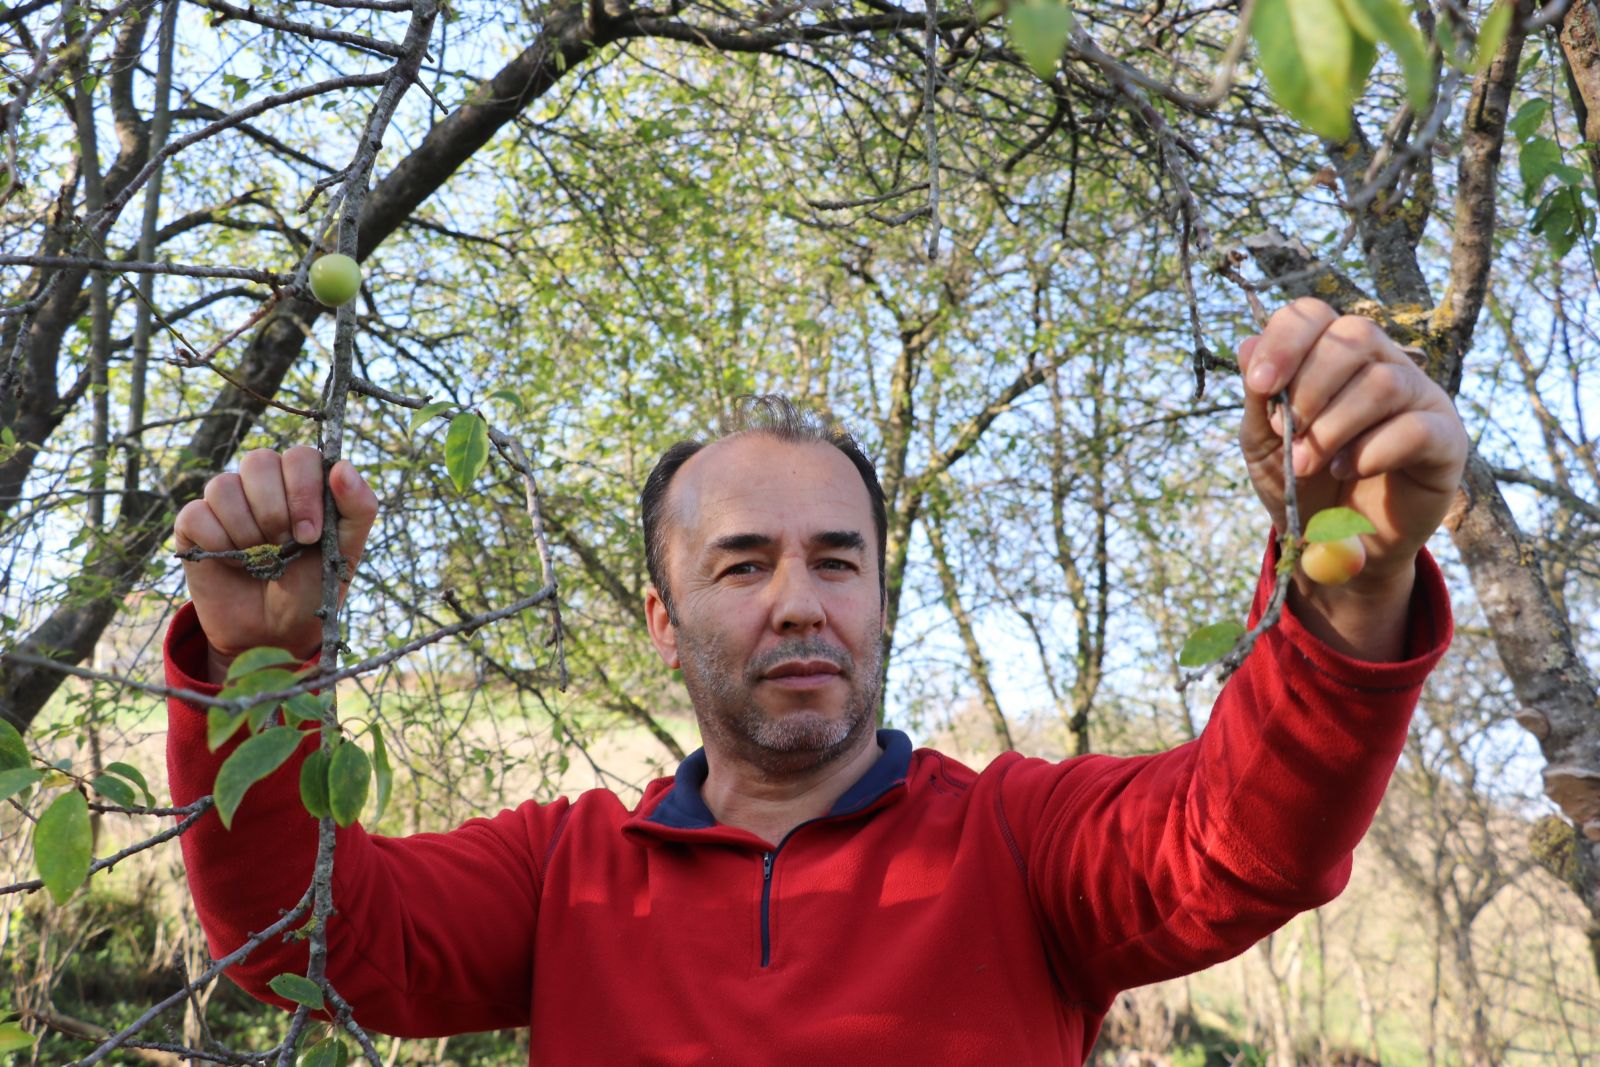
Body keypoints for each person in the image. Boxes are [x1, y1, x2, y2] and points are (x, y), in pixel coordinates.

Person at [166, 297, 1467, 1064]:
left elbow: (1240, 843)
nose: (800, 599)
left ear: (880, 601)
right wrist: (264, 670)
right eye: (741, 565)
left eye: (836, 560)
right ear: (663, 623)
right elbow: (301, 939)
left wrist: (1347, 589)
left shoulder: (1022, 846)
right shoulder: (562, 873)